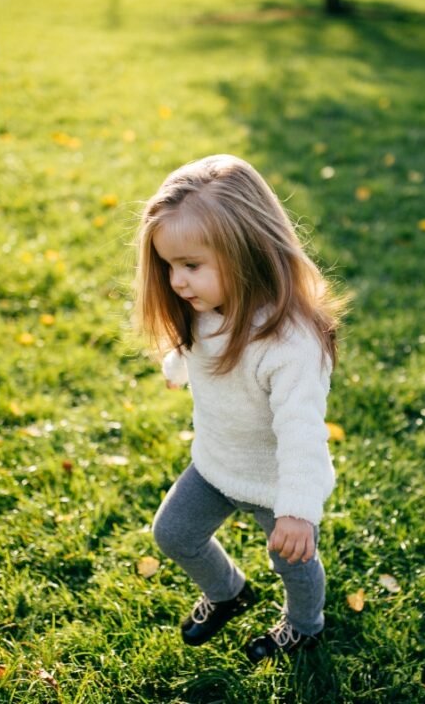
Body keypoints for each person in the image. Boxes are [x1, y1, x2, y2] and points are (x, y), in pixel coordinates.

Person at [135, 155, 345, 663]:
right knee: (174, 533)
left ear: (248, 251)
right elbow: (198, 348)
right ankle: (229, 591)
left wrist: (296, 511)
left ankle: (305, 626)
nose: (176, 281)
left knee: (293, 562)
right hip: (217, 464)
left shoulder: (290, 344)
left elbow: (301, 432)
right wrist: (176, 368)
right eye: (168, 266)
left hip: (277, 483)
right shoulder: (205, 308)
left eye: (190, 266)